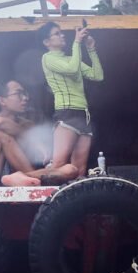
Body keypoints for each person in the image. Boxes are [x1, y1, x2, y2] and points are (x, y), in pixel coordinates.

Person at [0, 80, 77, 187]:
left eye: (25, 94)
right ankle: (30, 181)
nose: (25, 98)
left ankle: (23, 178)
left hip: (15, 179)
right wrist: (34, 142)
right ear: (2, 100)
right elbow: (0, 123)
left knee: (70, 170)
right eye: (19, 94)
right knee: (0, 135)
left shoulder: (27, 125)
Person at [39, 21, 103, 178]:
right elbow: (72, 69)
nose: (62, 35)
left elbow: (98, 75)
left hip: (84, 115)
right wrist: (77, 42)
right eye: (56, 33)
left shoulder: (72, 57)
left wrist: (91, 49)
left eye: (61, 32)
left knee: (79, 171)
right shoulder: (48, 58)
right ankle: (24, 175)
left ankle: (77, 202)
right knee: (59, 165)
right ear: (47, 42)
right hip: (67, 113)